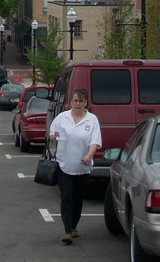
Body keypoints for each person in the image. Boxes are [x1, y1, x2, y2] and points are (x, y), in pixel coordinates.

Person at [48, 88, 101, 244]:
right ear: (70, 102)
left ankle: (73, 226)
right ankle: (67, 230)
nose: (77, 104)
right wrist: (53, 137)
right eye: (75, 100)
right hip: (64, 164)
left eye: (81, 101)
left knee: (77, 198)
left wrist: (88, 156)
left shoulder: (92, 120)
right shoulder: (62, 118)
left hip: (82, 166)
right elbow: (51, 136)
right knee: (67, 196)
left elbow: (95, 142)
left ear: (86, 103)